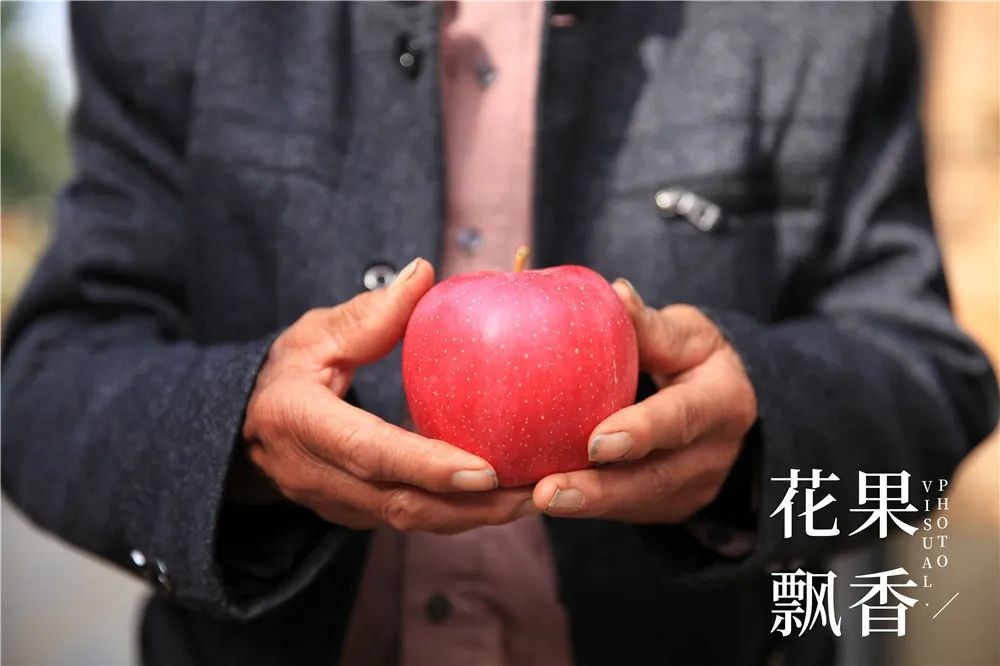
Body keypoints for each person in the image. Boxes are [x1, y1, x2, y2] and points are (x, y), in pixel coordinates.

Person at [2, 2, 997, 665]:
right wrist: (237, 438)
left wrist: (759, 430)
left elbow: (930, 368)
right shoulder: (167, 13)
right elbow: (50, 373)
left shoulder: (823, 15)